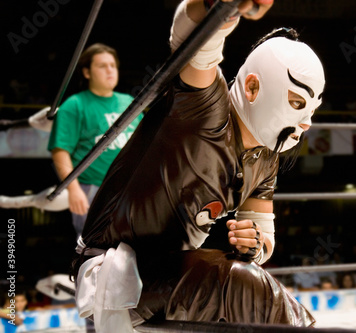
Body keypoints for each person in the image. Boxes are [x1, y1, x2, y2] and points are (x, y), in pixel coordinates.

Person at [71, 0, 325, 331]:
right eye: (296, 102)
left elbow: (263, 238)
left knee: (245, 283)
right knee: (248, 286)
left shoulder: (266, 158)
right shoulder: (204, 109)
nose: (306, 123)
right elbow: (191, 41)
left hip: (166, 274)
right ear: (251, 87)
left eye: (313, 109)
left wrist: (254, 243)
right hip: (111, 269)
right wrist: (218, 5)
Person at [48, 43, 144, 240]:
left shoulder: (129, 102)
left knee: (131, 248)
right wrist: (73, 189)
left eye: (112, 65)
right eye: (102, 66)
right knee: (94, 249)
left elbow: (145, 145)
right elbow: (60, 151)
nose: (110, 70)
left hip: (129, 188)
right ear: (86, 72)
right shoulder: (74, 105)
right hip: (91, 189)